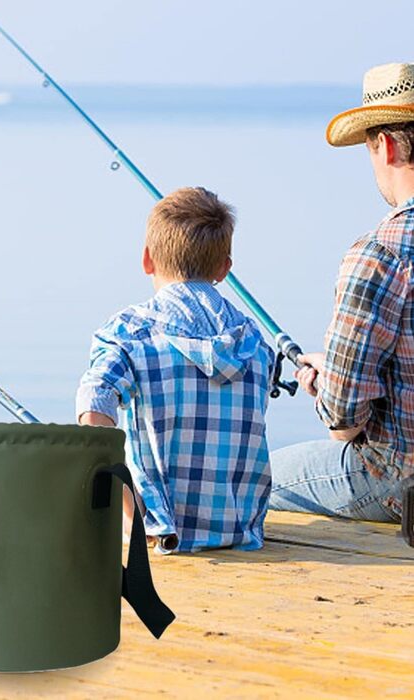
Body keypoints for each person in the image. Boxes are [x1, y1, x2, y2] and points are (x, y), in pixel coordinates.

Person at [76, 187, 274, 553]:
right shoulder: (256, 343)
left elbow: (94, 413)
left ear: (147, 260)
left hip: (158, 533)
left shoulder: (129, 333)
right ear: (224, 268)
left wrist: (134, 516)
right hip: (240, 536)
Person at [270, 63, 414, 522]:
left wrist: (328, 388)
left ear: (386, 145)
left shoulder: (378, 255)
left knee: (255, 480)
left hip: (398, 483)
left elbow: (344, 423)